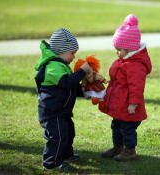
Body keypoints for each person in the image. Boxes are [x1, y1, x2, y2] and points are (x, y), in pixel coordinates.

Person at [34, 28, 92, 170]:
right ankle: (50, 162)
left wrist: (85, 92)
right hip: (52, 112)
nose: (73, 57)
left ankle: (65, 153)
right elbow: (66, 82)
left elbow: (70, 88)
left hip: (62, 110)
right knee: (57, 137)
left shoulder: (61, 66)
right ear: (61, 51)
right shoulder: (53, 66)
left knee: (68, 132)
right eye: (72, 53)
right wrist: (81, 72)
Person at [100, 14, 152, 161]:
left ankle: (130, 150)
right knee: (115, 126)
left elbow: (137, 87)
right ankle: (118, 147)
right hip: (120, 105)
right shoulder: (124, 61)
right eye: (116, 49)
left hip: (129, 106)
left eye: (119, 49)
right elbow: (116, 79)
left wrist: (133, 104)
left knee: (127, 129)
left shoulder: (135, 66)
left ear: (129, 49)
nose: (117, 52)